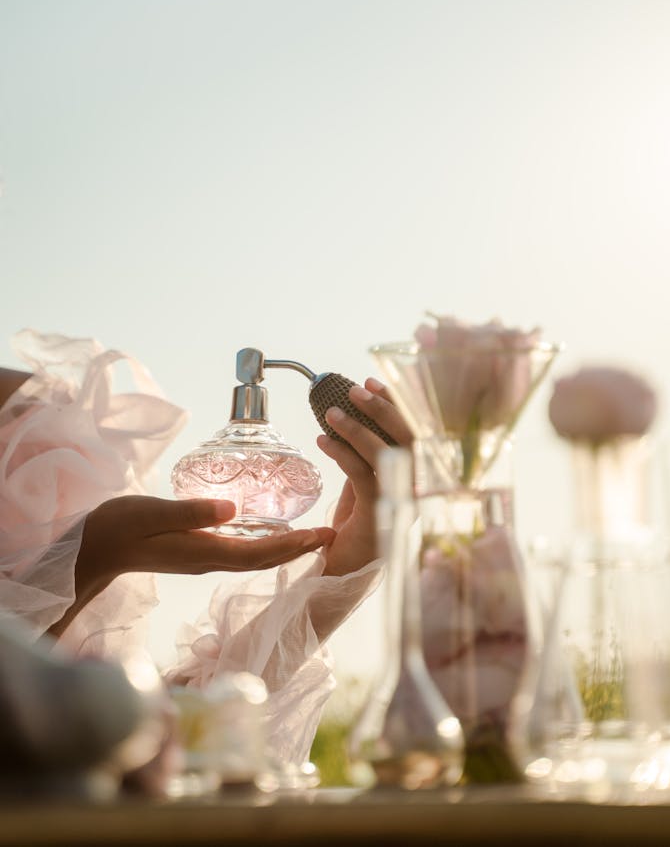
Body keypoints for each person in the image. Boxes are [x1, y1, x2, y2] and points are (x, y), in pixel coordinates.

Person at [0, 329, 412, 769]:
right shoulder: (44, 442)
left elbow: (167, 731)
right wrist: (90, 560)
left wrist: (347, 564)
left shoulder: (38, 433)